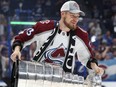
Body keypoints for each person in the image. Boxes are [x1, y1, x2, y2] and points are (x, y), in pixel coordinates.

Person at [10, 1, 104, 76]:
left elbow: (88, 58)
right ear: (63, 14)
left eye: (77, 16)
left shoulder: (82, 35)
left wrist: (96, 68)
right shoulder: (45, 26)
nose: (76, 19)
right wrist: (16, 51)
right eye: (72, 15)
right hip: (38, 77)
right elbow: (21, 38)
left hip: (63, 80)